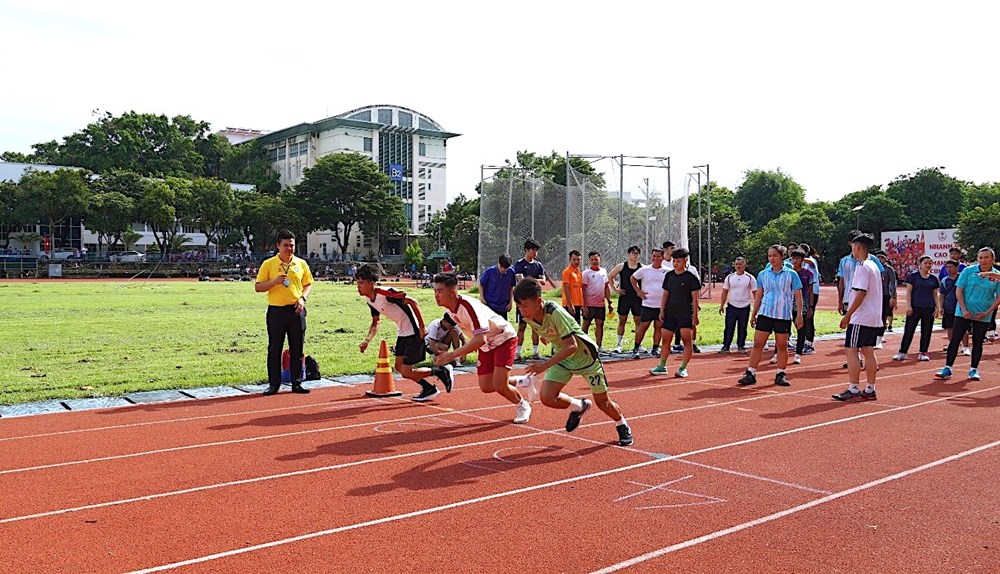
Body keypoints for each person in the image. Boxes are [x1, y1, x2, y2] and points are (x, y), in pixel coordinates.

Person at [513, 279, 633, 446]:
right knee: (547, 397)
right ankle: (579, 406)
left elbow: (571, 346)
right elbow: (541, 327)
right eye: (519, 306)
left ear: (539, 302)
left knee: (603, 403)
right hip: (563, 360)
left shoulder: (555, 313)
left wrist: (543, 366)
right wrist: (544, 336)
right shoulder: (528, 317)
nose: (521, 310)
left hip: (586, 359)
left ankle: (622, 424)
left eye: (525, 306)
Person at [432, 272, 532, 423]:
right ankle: (521, 380)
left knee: (499, 385)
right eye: (435, 291)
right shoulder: (450, 311)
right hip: (487, 345)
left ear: (452, 292)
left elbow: (480, 338)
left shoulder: (467, 306)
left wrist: (452, 355)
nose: (436, 295)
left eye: (440, 291)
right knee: (486, 386)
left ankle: (522, 405)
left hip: (503, 338)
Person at [355, 264, 453, 402]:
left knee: (406, 371)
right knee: (399, 367)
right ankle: (429, 388)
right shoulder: (369, 300)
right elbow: (376, 322)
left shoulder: (385, 294)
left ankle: (440, 371)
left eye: (361, 283)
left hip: (413, 332)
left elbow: (413, 302)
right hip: (402, 332)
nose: (358, 286)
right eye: (357, 283)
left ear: (371, 283)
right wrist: (367, 341)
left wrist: (422, 327)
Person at [254, 230, 314, 396]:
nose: (289, 248)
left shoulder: (301, 264)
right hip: (276, 311)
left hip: (296, 310)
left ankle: (297, 382)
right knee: (275, 348)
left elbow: (308, 284)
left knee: (297, 348)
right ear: (278, 246)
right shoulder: (268, 264)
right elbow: (258, 287)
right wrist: (274, 282)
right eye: (285, 245)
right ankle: (274, 384)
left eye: (292, 245)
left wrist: (303, 298)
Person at [737, 245, 804, 388]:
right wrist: (754, 313)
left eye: (774, 255)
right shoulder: (763, 274)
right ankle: (751, 373)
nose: (772, 259)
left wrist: (799, 315)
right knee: (758, 344)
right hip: (765, 313)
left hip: (782, 314)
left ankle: (780, 373)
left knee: (781, 345)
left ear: (782, 257)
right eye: (769, 256)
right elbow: (759, 295)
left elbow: (798, 296)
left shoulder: (791, 274)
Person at [832, 233, 883, 401]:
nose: (852, 251)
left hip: (861, 316)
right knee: (868, 350)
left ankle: (853, 388)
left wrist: (848, 315)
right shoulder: (873, 265)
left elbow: (860, 292)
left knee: (851, 350)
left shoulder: (862, 267)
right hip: (873, 316)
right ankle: (870, 388)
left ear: (858, 247)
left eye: (853, 247)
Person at [936, 247, 1000, 381]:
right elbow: (959, 291)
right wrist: (963, 309)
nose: (983, 260)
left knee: (977, 342)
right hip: (963, 312)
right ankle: (947, 367)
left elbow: (998, 297)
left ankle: (973, 370)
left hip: (982, 313)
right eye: (980, 257)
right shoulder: (968, 271)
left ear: (992, 259)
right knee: (955, 340)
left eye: (986, 257)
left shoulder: (996, 275)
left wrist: (987, 312)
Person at [650, 247, 701, 377]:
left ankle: (683, 368)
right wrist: (662, 310)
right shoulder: (669, 276)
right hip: (670, 313)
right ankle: (662, 366)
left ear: (685, 261)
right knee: (666, 339)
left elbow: (695, 298)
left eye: (678, 261)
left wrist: (695, 315)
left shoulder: (691, 277)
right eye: (674, 261)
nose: (675, 264)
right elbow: (665, 294)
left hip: (685, 313)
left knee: (686, 341)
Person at [892, 256, 941, 362]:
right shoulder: (913, 277)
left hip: (929, 308)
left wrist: (938, 308)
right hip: (915, 307)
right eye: (926, 263)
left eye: (930, 263)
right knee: (909, 330)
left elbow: (935, 294)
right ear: (920, 264)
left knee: (926, 331)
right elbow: (909, 292)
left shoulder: (933, 279)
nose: (928, 265)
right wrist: (908, 306)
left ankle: (923, 352)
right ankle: (902, 352)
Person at [512, 239, 548, 360]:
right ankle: (517, 353)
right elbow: (521, 280)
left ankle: (536, 352)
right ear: (526, 250)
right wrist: (533, 280)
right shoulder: (519, 264)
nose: (535, 252)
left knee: (536, 327)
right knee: (522, 326)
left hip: (535, 300)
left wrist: (529, 279)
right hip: (523, 300)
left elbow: (543, 280)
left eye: (536, 250)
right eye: (532, 250)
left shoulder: (538, 265)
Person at [630, 248, 669, 356]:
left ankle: (655, 348)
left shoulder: (668, 271)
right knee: (643, 327)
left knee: (658, 327)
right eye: (654, 256)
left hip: (661, 306)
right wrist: (639, 291)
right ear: (651, 257)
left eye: (658, 256)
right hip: (648, 304)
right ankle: (636, 348)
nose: (656, 258)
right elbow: (632, 279)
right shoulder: (644, 269)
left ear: (663, 257)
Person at [607, 246, 643, 353]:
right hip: (625, 297)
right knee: (622, 320)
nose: (635, 255)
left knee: (638, 321)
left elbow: (647, 279)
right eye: (633, 253)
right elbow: (610, 276)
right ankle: (619, 344)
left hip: (637, 298)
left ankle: (638, 344)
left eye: (637, 253)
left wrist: (641, 291)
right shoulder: (622, 266)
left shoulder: (642, 268)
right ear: (628, 254)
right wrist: (615, 289)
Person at [718, 257, 756, 354]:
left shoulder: (750, 278)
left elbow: (755, 294)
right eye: (736, 264)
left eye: (740, 264)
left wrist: (757, 309)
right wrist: (721, 305)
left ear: (744, 265)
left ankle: (741, 345)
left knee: (742, 327)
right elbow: (725, 292)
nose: (738, 266)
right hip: (732, 306)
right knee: (729, 326)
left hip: (744, 306)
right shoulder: (730, 277)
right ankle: (726, 346)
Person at [581, 251, 613, 351]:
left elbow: (606, 287)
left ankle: (599, 346)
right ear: (589, 261)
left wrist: (609, 302)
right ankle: (584, 346)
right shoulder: (586, 273)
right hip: (589, 304)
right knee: (586, 325)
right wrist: (584, 305)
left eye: (596, 259)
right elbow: (583, 290)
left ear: (600, 259)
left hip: (600, 304)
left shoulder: (603, 271)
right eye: (592, 259)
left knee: (600, 324)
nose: (594, 261)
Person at [939, 260, 971, 356]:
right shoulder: (945, 280)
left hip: (961, 307)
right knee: (950, 327)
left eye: (951, 267)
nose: (949, 269)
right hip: (948, 307)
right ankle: (953, 346)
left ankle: (965, 347)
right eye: (947, 267)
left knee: (963, 328)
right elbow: (942, 295)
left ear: (957, 267)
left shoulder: (963, 278)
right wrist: (941, 307)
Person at [789, 249, 814, 364]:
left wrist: (810, 306)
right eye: (793, 258)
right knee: (782, 328)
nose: (795, 261)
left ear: (802, 260)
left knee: (800, 328)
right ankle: (776, 353)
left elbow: (810, 291)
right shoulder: (787, 272)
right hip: (788, 303)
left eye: (797, 258)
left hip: (802, 303)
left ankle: (798, 353)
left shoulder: (808, 274)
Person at [478, 254, 517, 319]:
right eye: (501, 266)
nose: (503, 269)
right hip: (490, 304)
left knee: (502, 327)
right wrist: (482, 298)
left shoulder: (511, 273)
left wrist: (510, 302)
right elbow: (481, 284)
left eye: (505, 268)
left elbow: (511, 287)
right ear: (498, 263)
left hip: (503, 306)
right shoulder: (489, 272)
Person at [873, 251, 898, 349]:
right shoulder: (873, 268)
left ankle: (880, 336)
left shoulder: (889, 269)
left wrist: (893, 296)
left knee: (884, 315)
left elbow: (893, 283)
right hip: (875, 295)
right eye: (878, 257)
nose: (879, 260)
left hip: (886, 295)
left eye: (881, 258)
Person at [561, 250, 585, 323]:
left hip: (578, 304)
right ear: (570, 260)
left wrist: (582, 305)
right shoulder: (567, 272)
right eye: (574, 259)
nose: (576, 261)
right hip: (569, 305)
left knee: (577, 326)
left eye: (578, 259)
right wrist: (569, 304)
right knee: (569, 327)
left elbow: (580, 289)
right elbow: (566, 288)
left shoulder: (579, 272)